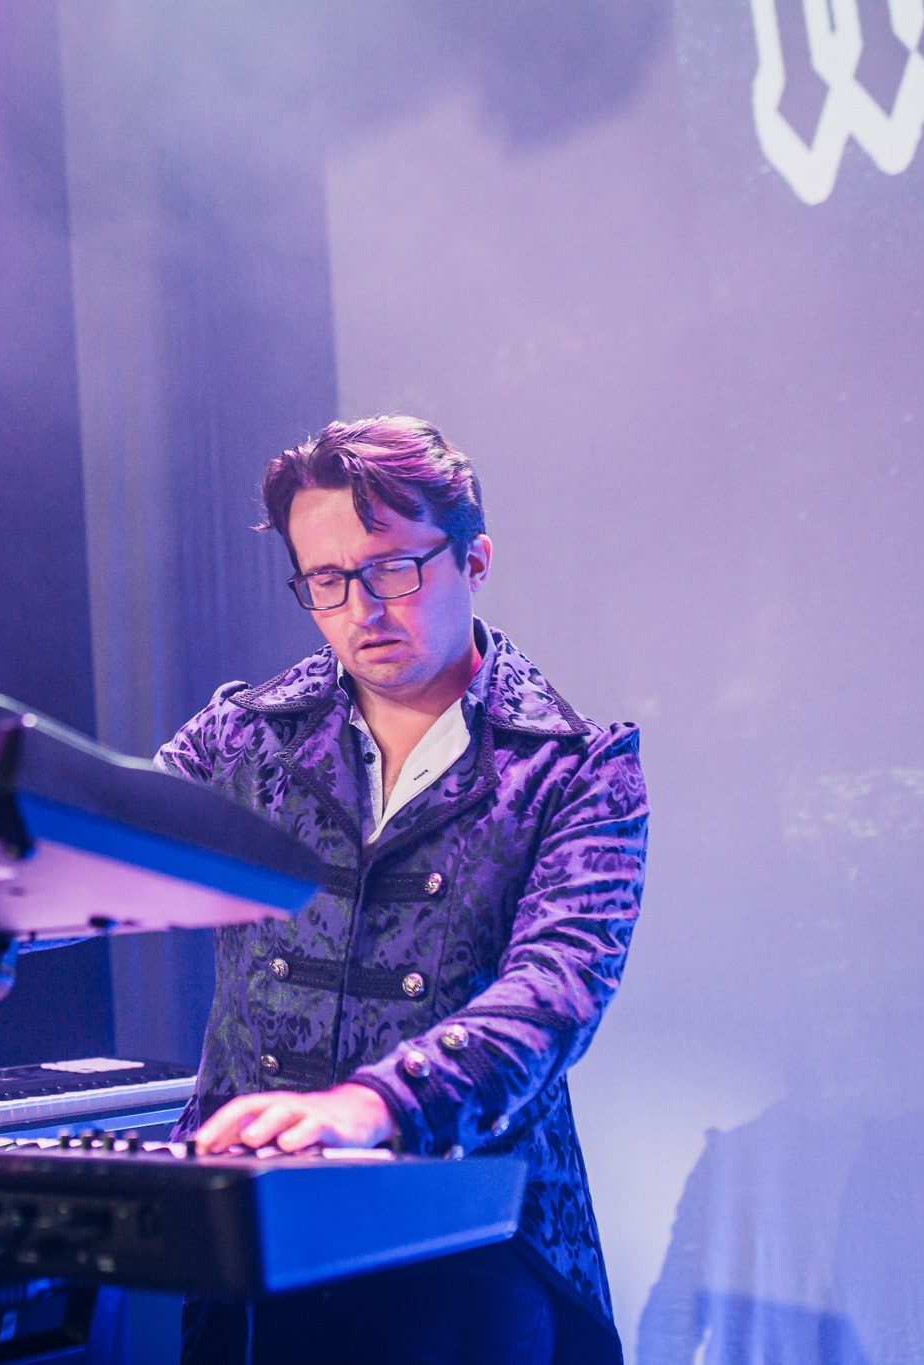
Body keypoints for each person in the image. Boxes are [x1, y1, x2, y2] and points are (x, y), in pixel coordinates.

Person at [160, 415, 646, 1365]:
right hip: (255, 1240)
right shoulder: (242, 735)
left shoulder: (576, 767)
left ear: (475, 559)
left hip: (473, 1256)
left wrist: (374, 1104)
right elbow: (103, 847)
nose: (361, 610)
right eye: (327, 581)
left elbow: (556, 991)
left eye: (392, 570)